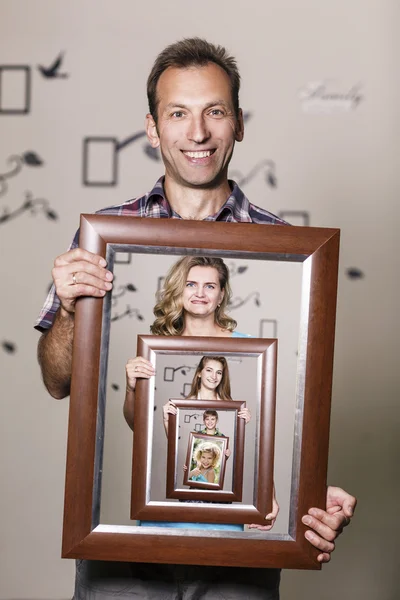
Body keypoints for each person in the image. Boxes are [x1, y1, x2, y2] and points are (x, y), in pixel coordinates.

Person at [36, 37, 357, 600]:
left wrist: (308, 493)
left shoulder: (286, 249)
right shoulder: (106, 237)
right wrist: (67, 310)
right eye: (178, 113)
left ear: (239, 122)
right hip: (124, 545)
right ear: (152, 128)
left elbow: (285, 407)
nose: (198, 132)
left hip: (243, 545)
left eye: (216, 111)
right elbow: (58, 381)